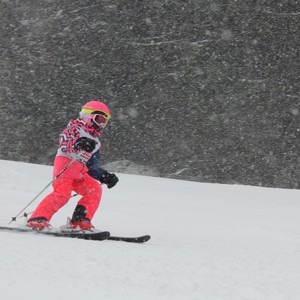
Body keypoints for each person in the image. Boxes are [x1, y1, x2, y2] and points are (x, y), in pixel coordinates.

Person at [27, 100, 119, 231]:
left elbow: (91, 166)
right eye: (99, 119)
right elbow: (64, 143)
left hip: (80, 173)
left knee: (94, 190)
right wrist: (78, 143)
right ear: (88, 116)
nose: (102, 124)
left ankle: (80, 220)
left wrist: (104, 176)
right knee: (62, 194)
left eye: (104, 121)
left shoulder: (96, 143)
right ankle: (37, 219)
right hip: (65, 169)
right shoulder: (74, 129)